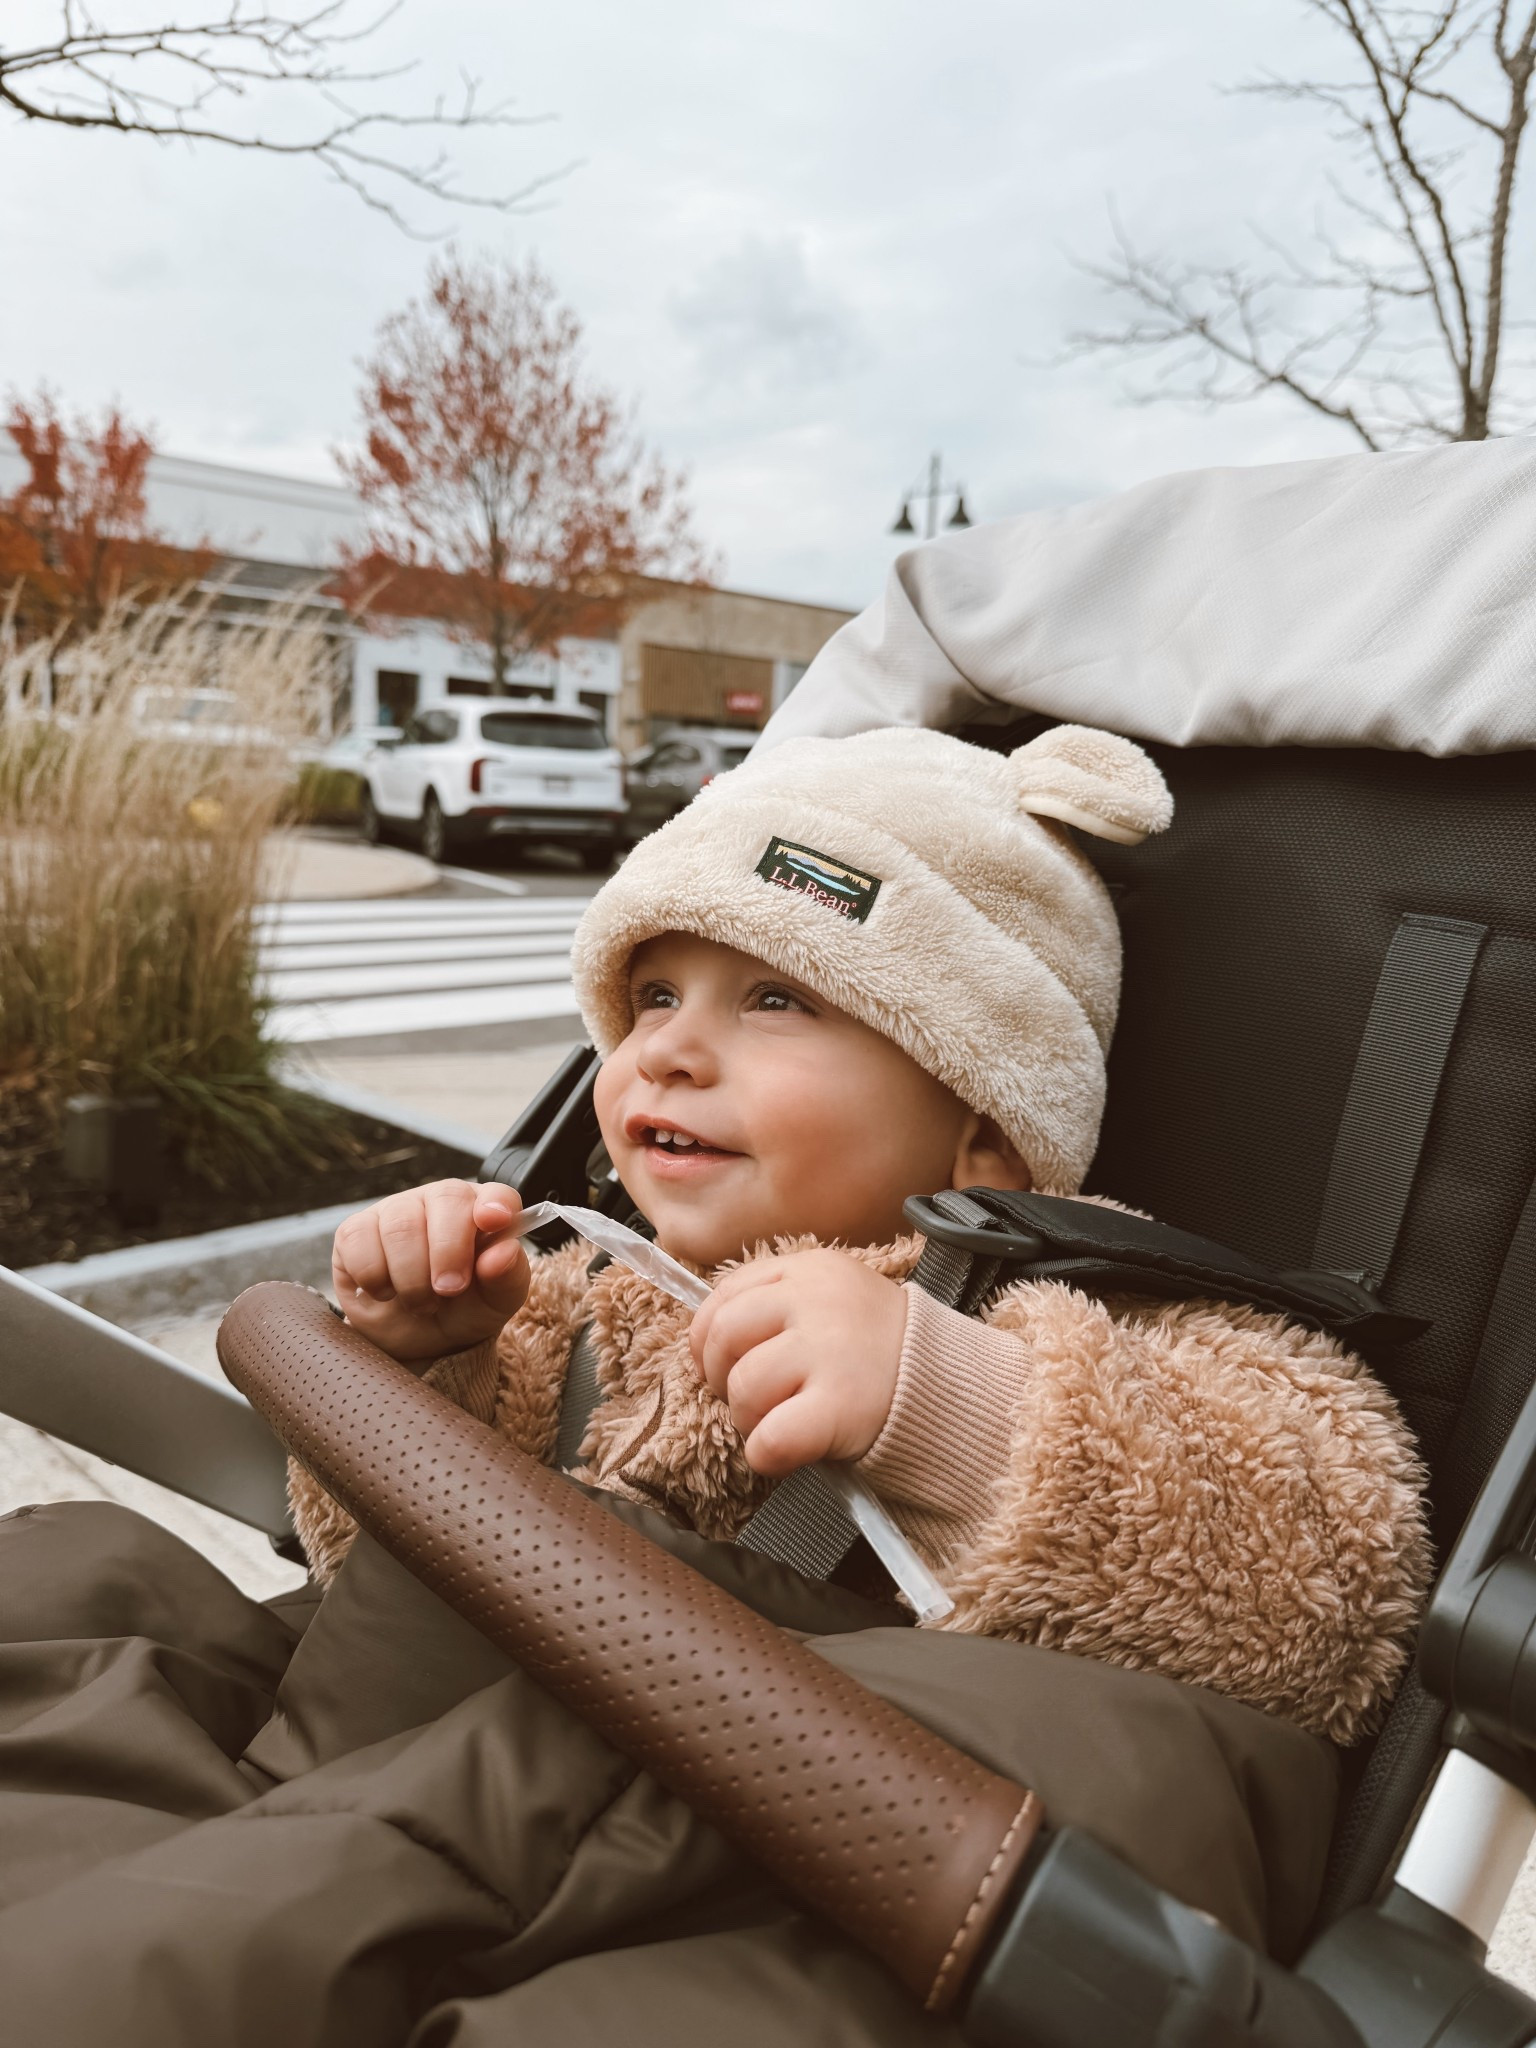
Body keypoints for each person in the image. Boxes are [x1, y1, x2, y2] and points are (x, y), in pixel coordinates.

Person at [296, 721, 1428, 1746]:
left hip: (811, 1866)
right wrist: (426, 1368)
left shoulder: (1075, 1311)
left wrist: (948, 1406)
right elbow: (371, 1604)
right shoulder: (568, 1294)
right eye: (652, 994)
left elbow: (1329, 1592)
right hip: (468, 1763)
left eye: (776, 998)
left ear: (985, 1124)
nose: (666, 1051)